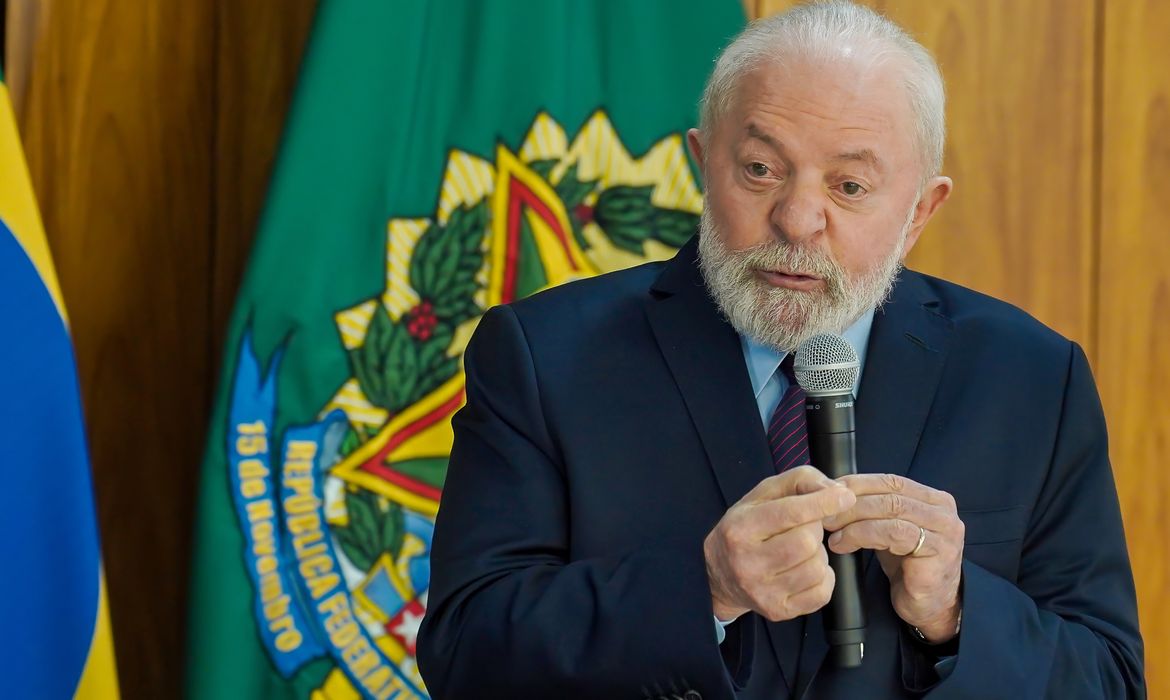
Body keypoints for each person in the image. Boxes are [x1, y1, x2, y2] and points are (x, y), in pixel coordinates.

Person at [416, 2, 1145, 698]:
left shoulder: (1033, 380)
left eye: (850, 185)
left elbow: (1109, 680)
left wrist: (956, 611)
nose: (798, 221)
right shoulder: (544, 356)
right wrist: (703, 590)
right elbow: (465, 655)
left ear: (922, 210)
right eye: (760, 170)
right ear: (705, 164)